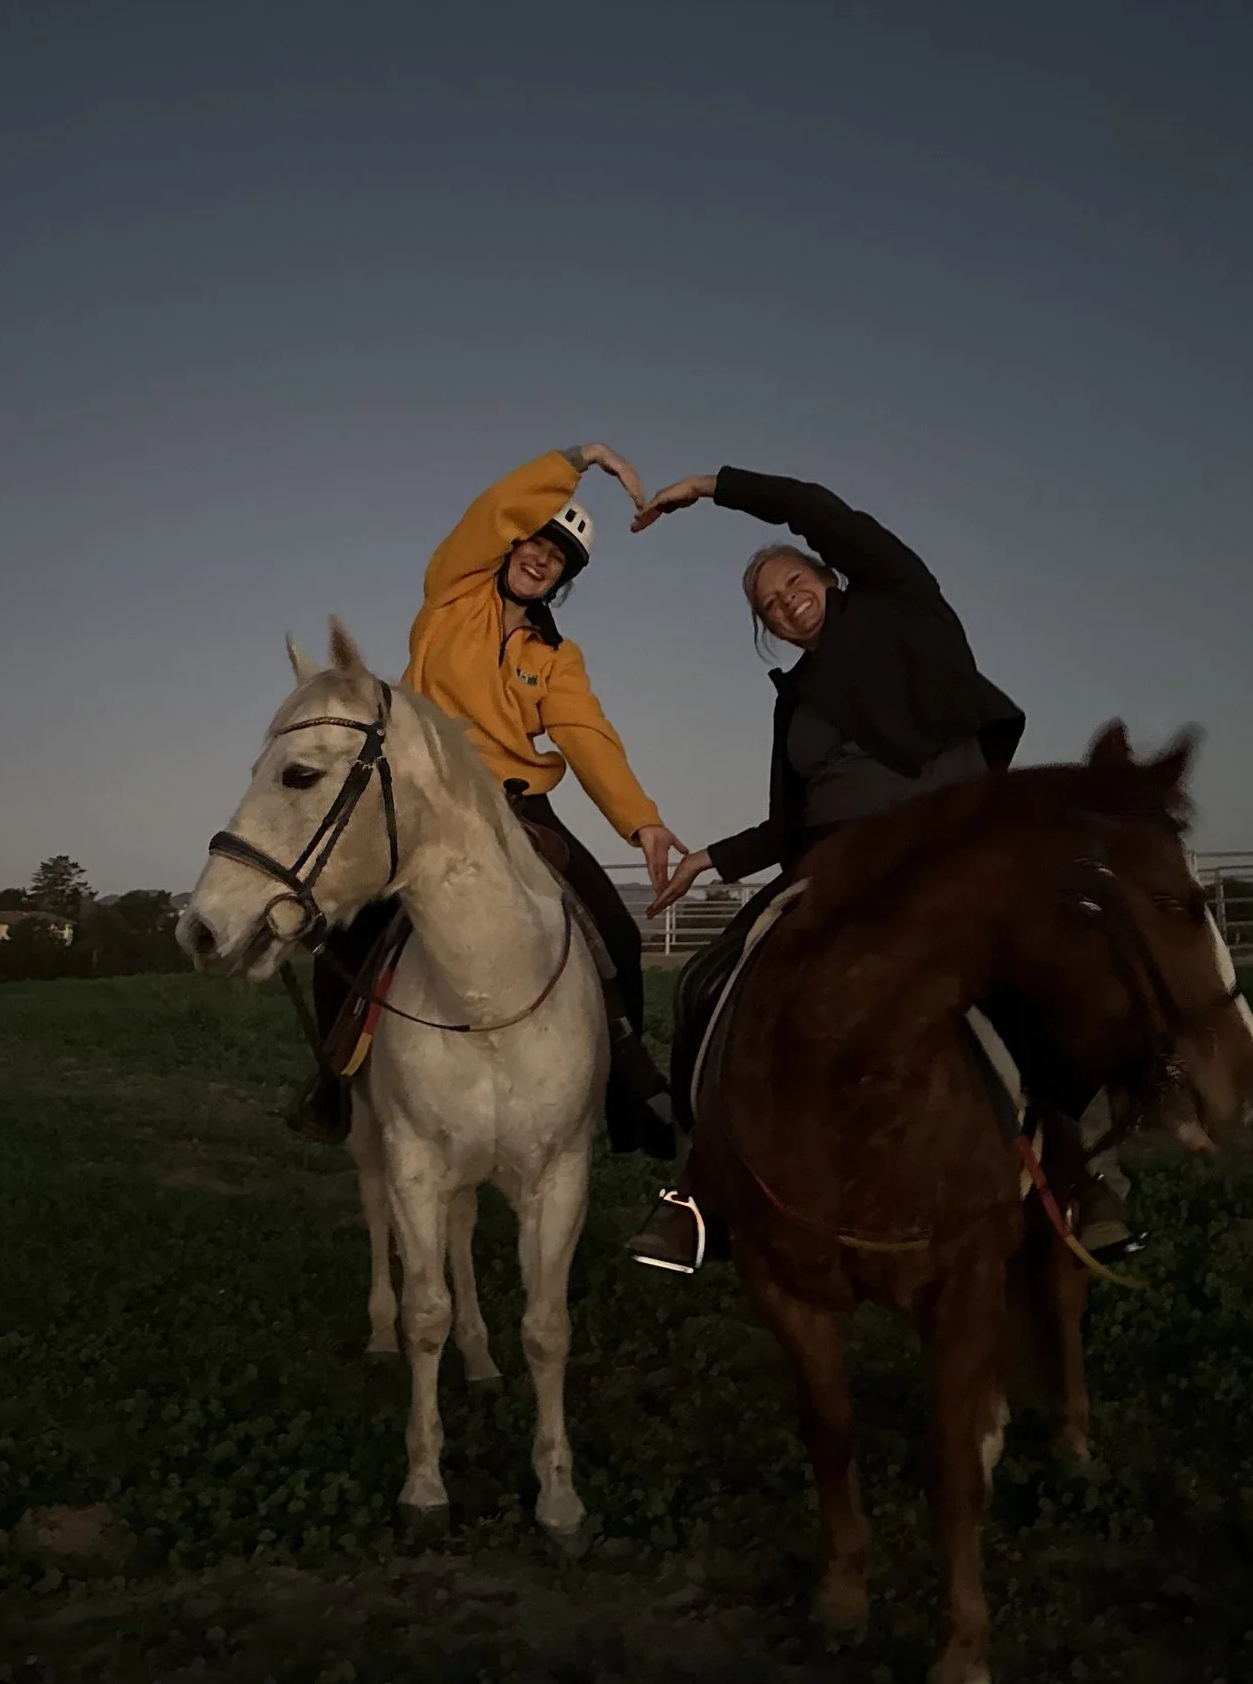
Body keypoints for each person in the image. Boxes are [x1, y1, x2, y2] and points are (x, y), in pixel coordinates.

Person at [617, 466, 1139, 1274]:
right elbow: (790, 822)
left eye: (794, 582)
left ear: (828, 574)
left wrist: (714, 486)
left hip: (948, 844)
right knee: (707, 982)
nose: (786, 603)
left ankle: (1089, 1174)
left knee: (1051, 971)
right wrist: (709, 859)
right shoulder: (794, 700)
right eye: (768, 605)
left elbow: (819, 509)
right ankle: (698, 1189)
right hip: (835, 863)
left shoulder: (901, 604)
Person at [286, 443, 685, 1160]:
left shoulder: (555, 657)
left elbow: (586, 734)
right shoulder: (451, 595)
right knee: (349, 927)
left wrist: (642, 821)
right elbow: (490, 513)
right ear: (510, 543)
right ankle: (335, 1079)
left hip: (517, 805)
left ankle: (629, 1091)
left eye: (558, 558)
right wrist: (582, 457)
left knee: (617, 937)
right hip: (428, 794)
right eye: (535, 541)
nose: (542, 558)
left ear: (564, 578)